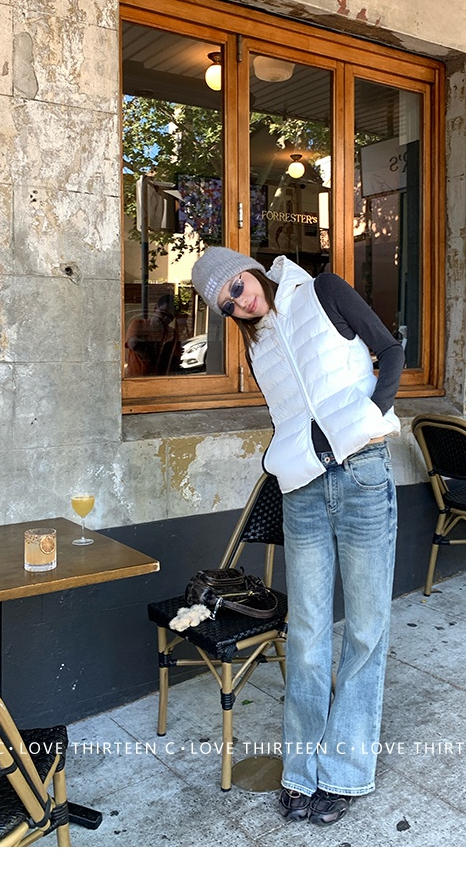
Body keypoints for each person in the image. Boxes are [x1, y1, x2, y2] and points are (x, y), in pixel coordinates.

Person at [191, 247, 404, 827]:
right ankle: (301, 771)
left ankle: (344, 772)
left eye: (237, 286)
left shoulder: (324, 291)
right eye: (227, 304)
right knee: (307, 632)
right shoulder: (257, 346)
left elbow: (390, 351)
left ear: (249, 269)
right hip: (303, 490)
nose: (240, 302)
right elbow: (288, 416)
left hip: (362, 474)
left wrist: (368, 418)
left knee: (365, 629)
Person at [124, 294, 182, 376]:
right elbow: (134, 344)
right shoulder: (138, 324)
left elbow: (175, 362)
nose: (165, 318)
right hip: (137, 380)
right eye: (163, 313)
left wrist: (147, 348)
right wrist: (163, 354)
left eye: (170, 317)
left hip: (160, 380)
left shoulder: (172, 333)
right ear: (155, 308)